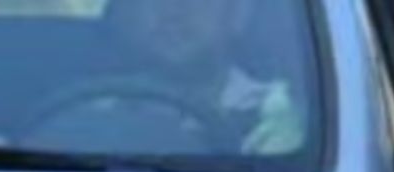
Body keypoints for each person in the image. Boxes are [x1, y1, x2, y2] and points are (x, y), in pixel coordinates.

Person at [111, 0, 304, 155]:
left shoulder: (278, 116)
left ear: (238, 14)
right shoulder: (96, 111)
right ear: (130, 16)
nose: (172, 12)